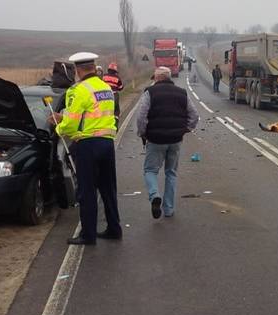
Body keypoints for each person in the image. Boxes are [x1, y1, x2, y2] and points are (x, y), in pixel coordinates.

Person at [49, 52, 122, 245]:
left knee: (87, 191)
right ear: (93, 67)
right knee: (108, 188)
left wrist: (58, 127)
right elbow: (95, 115)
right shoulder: (105, 87)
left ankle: (88, 235)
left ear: (78, 70)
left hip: (88, 145)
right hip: (107, 143)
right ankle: (114, 228)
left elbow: (72, 124)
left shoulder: (80, 90)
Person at [136, 66, 199, 219]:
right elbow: (194, 115)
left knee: (150, 170)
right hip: (175, 140)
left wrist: (143, 133)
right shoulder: (182, 93)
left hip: (156, 139)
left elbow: (141, 116)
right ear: (169, 77)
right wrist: (186, 130)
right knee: (171, 173)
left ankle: (154, 195)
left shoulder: (149, 93)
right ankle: (169, 209)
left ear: (156, 78)